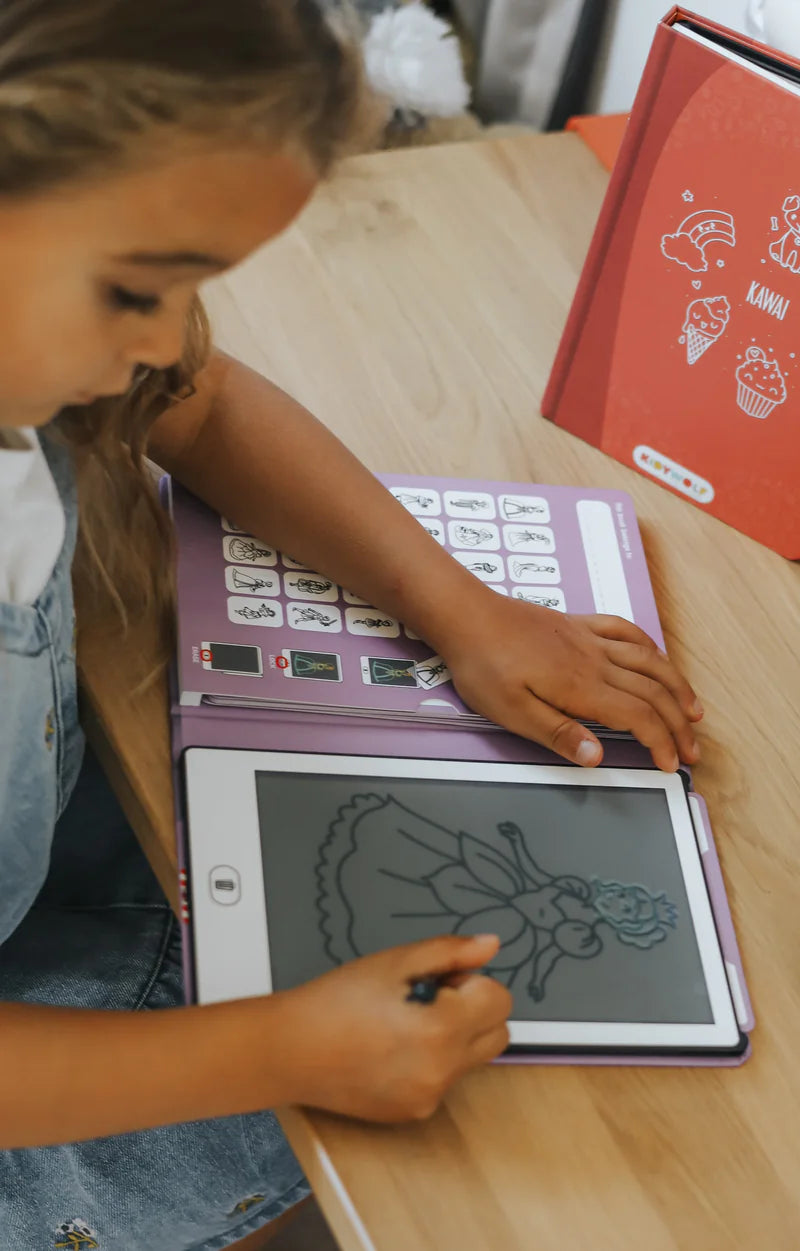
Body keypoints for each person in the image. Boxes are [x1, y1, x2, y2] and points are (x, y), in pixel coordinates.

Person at [0, 1, 703, 1246]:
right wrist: (283, 1048)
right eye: (134, 288)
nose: (166, 338)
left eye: (194, 289)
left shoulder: (51, 348)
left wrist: (459, 608)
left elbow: (199, 403)